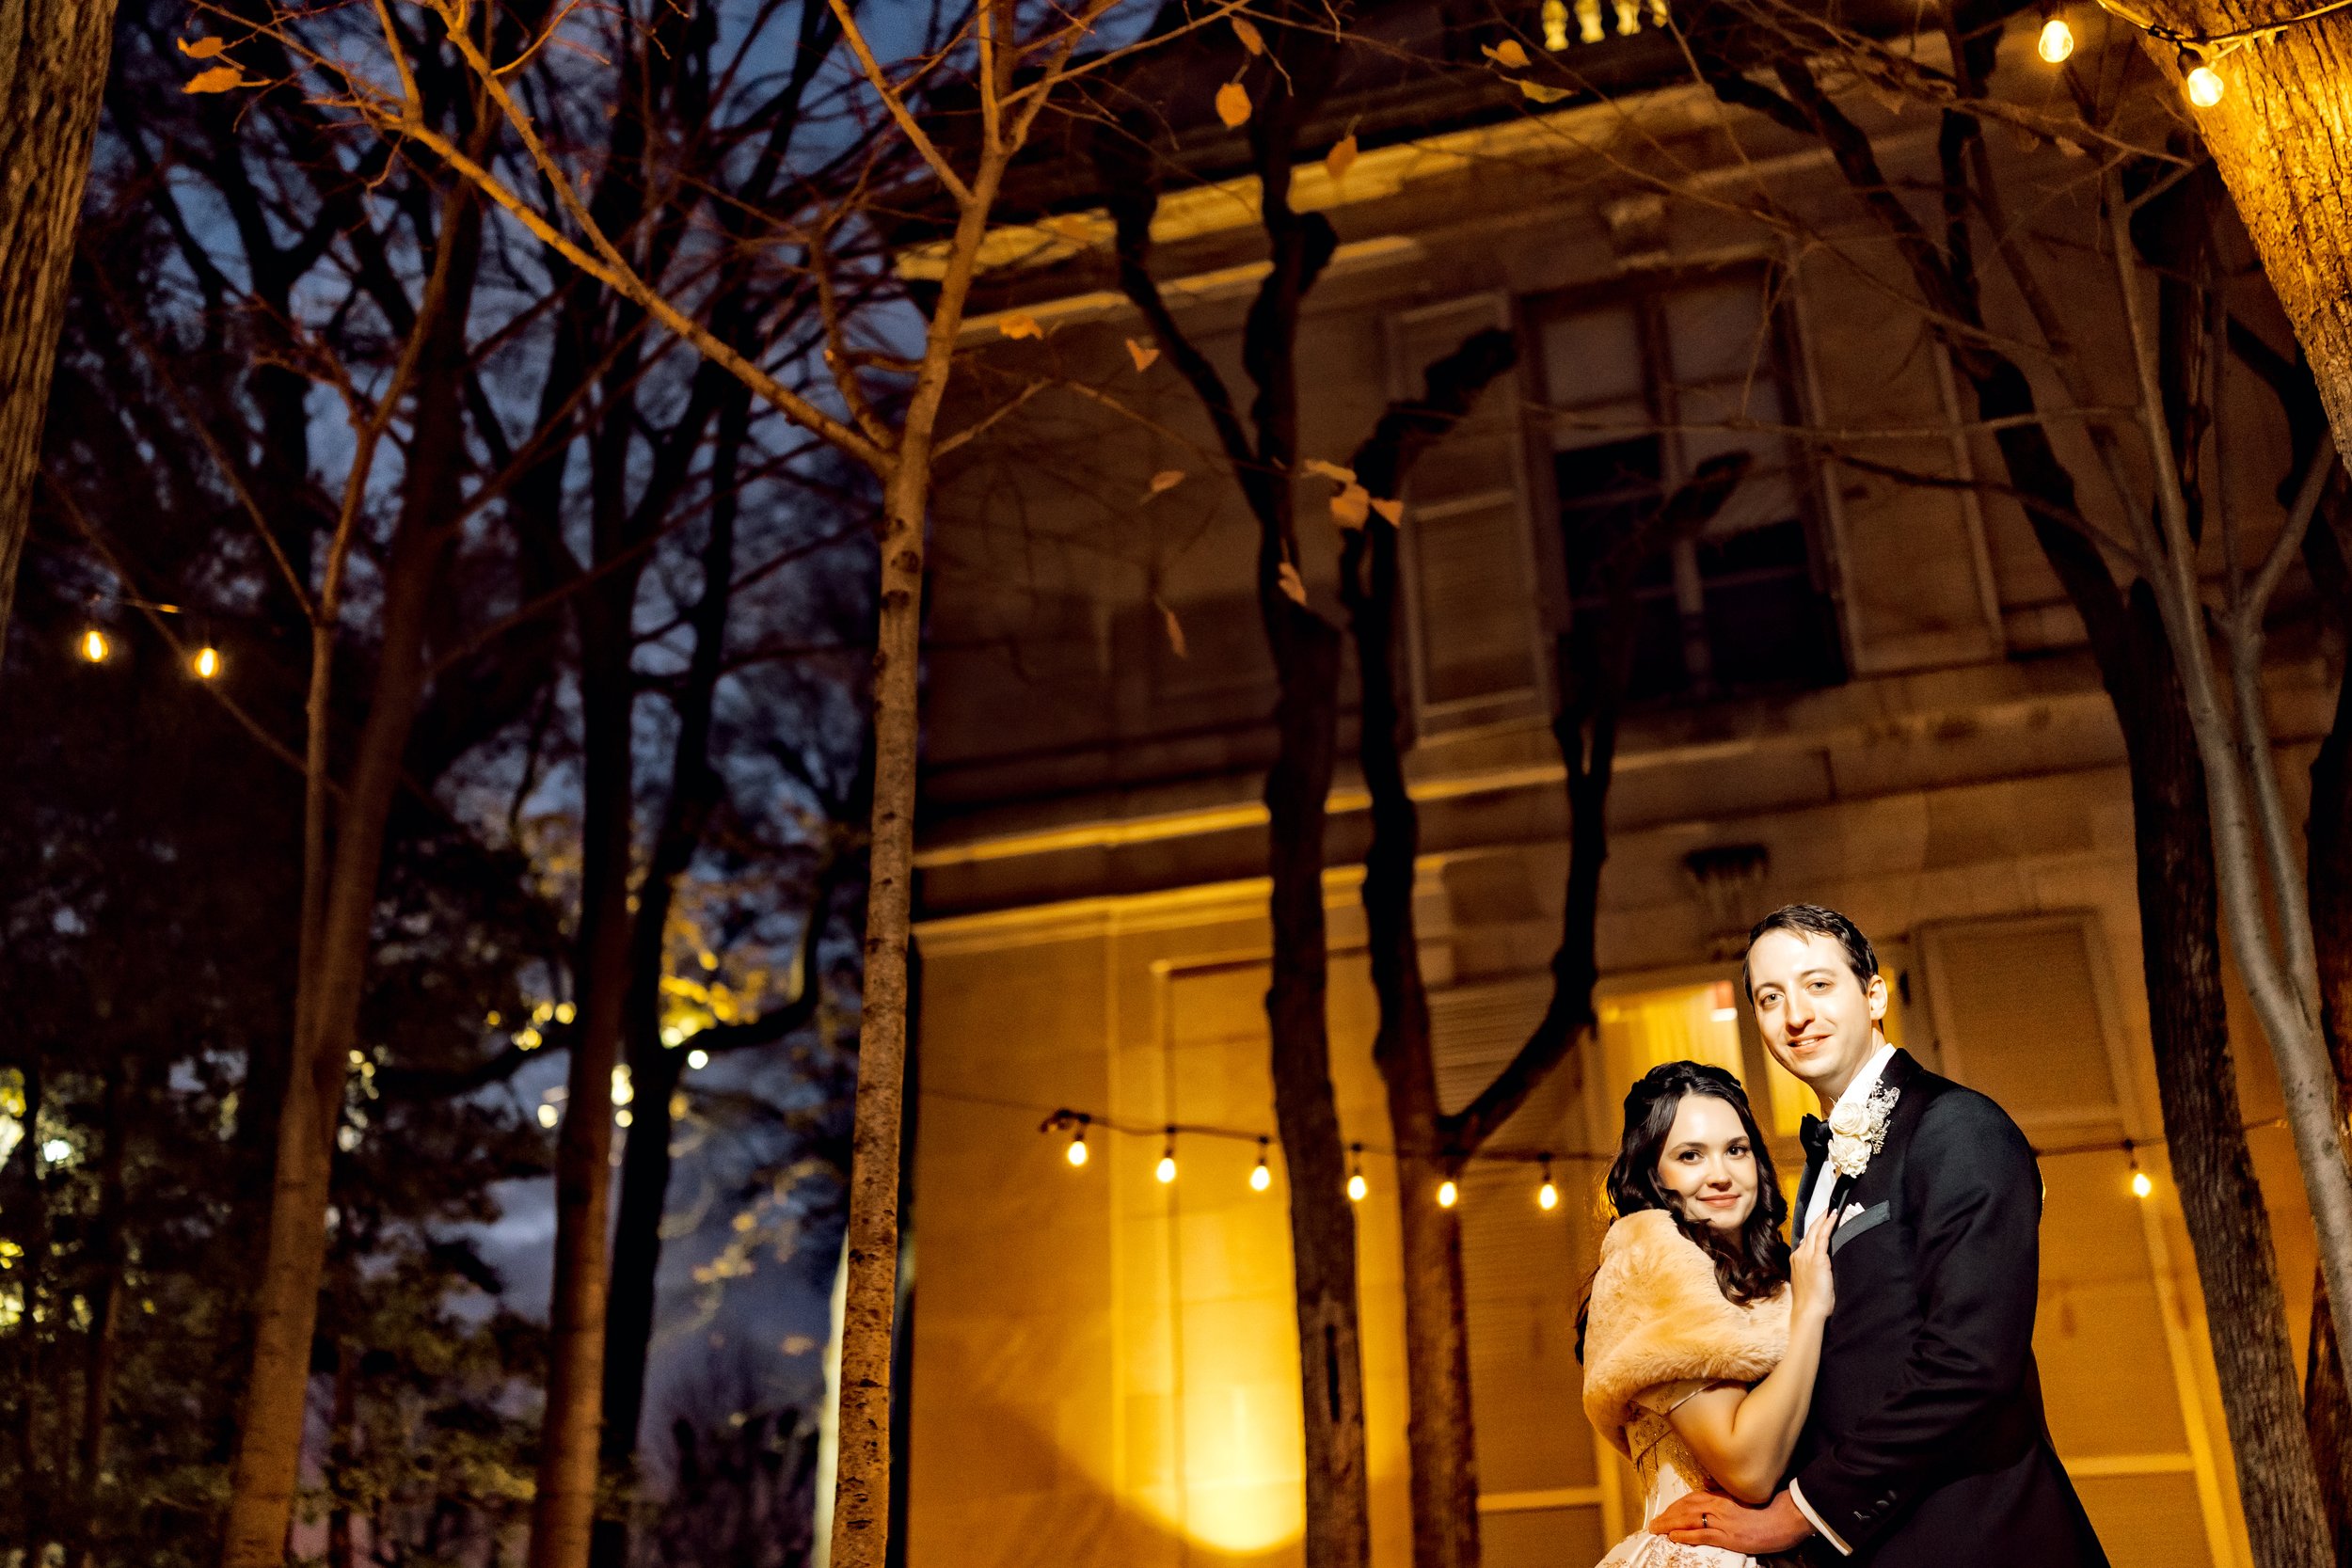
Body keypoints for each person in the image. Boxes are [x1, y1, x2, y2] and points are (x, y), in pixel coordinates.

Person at [1649, 903, 2108, 1566]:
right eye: (1770, 998)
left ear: (1874, 996)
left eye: (1817, 984)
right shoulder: (1819, 1170)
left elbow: (1970, 1364)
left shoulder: (1957, 1127)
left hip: (1981, 1540)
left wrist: (1794, 1514)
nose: (1795, 1015)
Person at [1581, 1059, 1836, 1566]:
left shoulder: (1769, 1276)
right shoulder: (1653, 1266)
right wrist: (1809, 1313)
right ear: (1654, 1173)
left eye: (1736, 1150)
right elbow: (1749, 1469)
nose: (1720, 1175)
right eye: (1690, 1155)